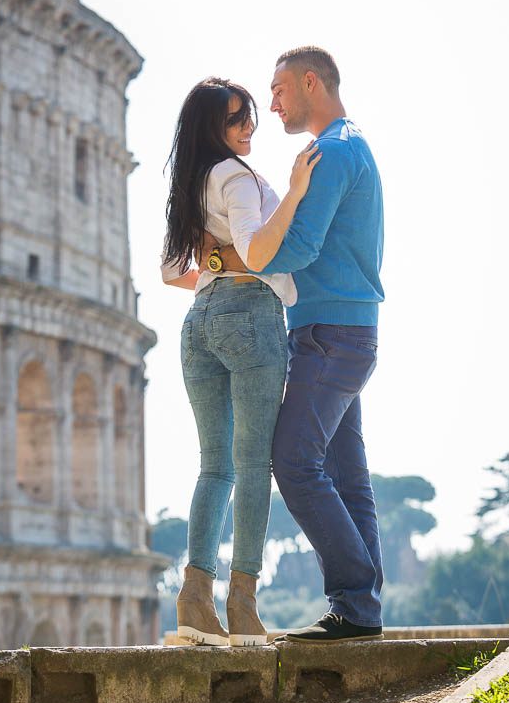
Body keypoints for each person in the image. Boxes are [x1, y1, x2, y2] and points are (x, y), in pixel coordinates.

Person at [210, 46, 385, 642]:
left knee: (293, 462)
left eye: (280, 89)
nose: (273, 103)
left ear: (312, 82)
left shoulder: (331, 153)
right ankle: (360, 610)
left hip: (329, 335)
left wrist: (231, 257)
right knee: (345, 474)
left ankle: (355, 600)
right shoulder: (348, 145)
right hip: (343, 330)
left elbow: (299, 248)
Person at [161, 76, 320, 646]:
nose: (248, 127)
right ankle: (244, 607)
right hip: (250, 316)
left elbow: (172, 270)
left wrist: (214, 260)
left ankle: (193, 601)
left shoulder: (191, 183)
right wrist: (297, 191)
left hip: (199, 321)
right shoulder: (238, 176)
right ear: (212, 128)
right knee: (253, 467)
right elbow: (256, 250)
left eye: (249, 116)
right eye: (235, 119)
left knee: (214, 467)